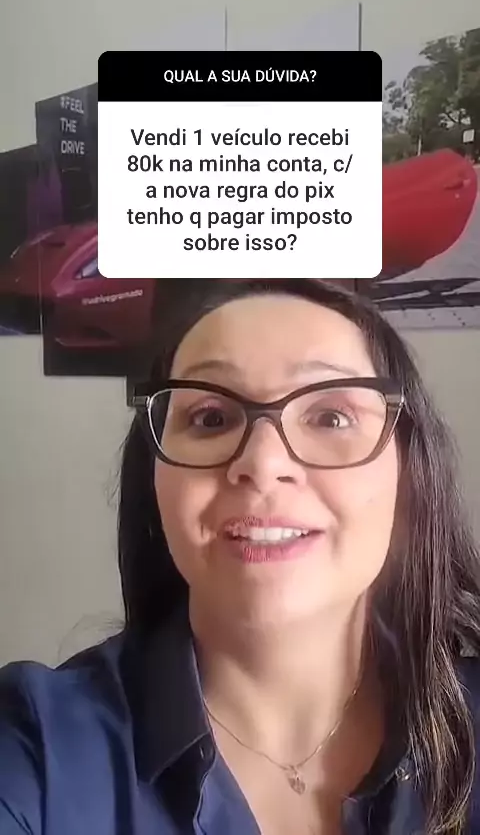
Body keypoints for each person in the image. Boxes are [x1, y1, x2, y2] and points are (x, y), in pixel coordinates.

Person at [1, 278, 480, 835]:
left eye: (330, 416)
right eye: (211, 417)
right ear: (155, 479)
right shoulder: (35, 746)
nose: (262, 463)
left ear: (409, 472)